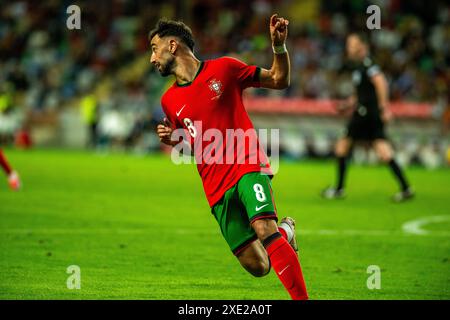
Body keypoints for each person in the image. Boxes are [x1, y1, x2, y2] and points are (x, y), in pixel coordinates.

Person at [152, 15, 308, 300]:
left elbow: (279, 79)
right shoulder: (169, 100)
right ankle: (286, 232)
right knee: (258, 265)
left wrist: (279, 47)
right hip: (215, 186)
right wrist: (173, 139)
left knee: (263, 227)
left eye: (154, 47)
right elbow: (193, 145)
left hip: (246, 164)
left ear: (172, 45)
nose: (152, 58)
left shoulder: (225, 68)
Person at [322, 33, 414, 202]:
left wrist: (384, 108)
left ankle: (339, 189)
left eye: (352, 44)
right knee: (383, 150)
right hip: (367, 113)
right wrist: (347, 104)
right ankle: (406, 188)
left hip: (366, 113)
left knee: (342, 146)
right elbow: (362, 94)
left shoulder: (368, 64)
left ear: (362, 47)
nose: (348, 48)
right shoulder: (359, 67)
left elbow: (381, 82)